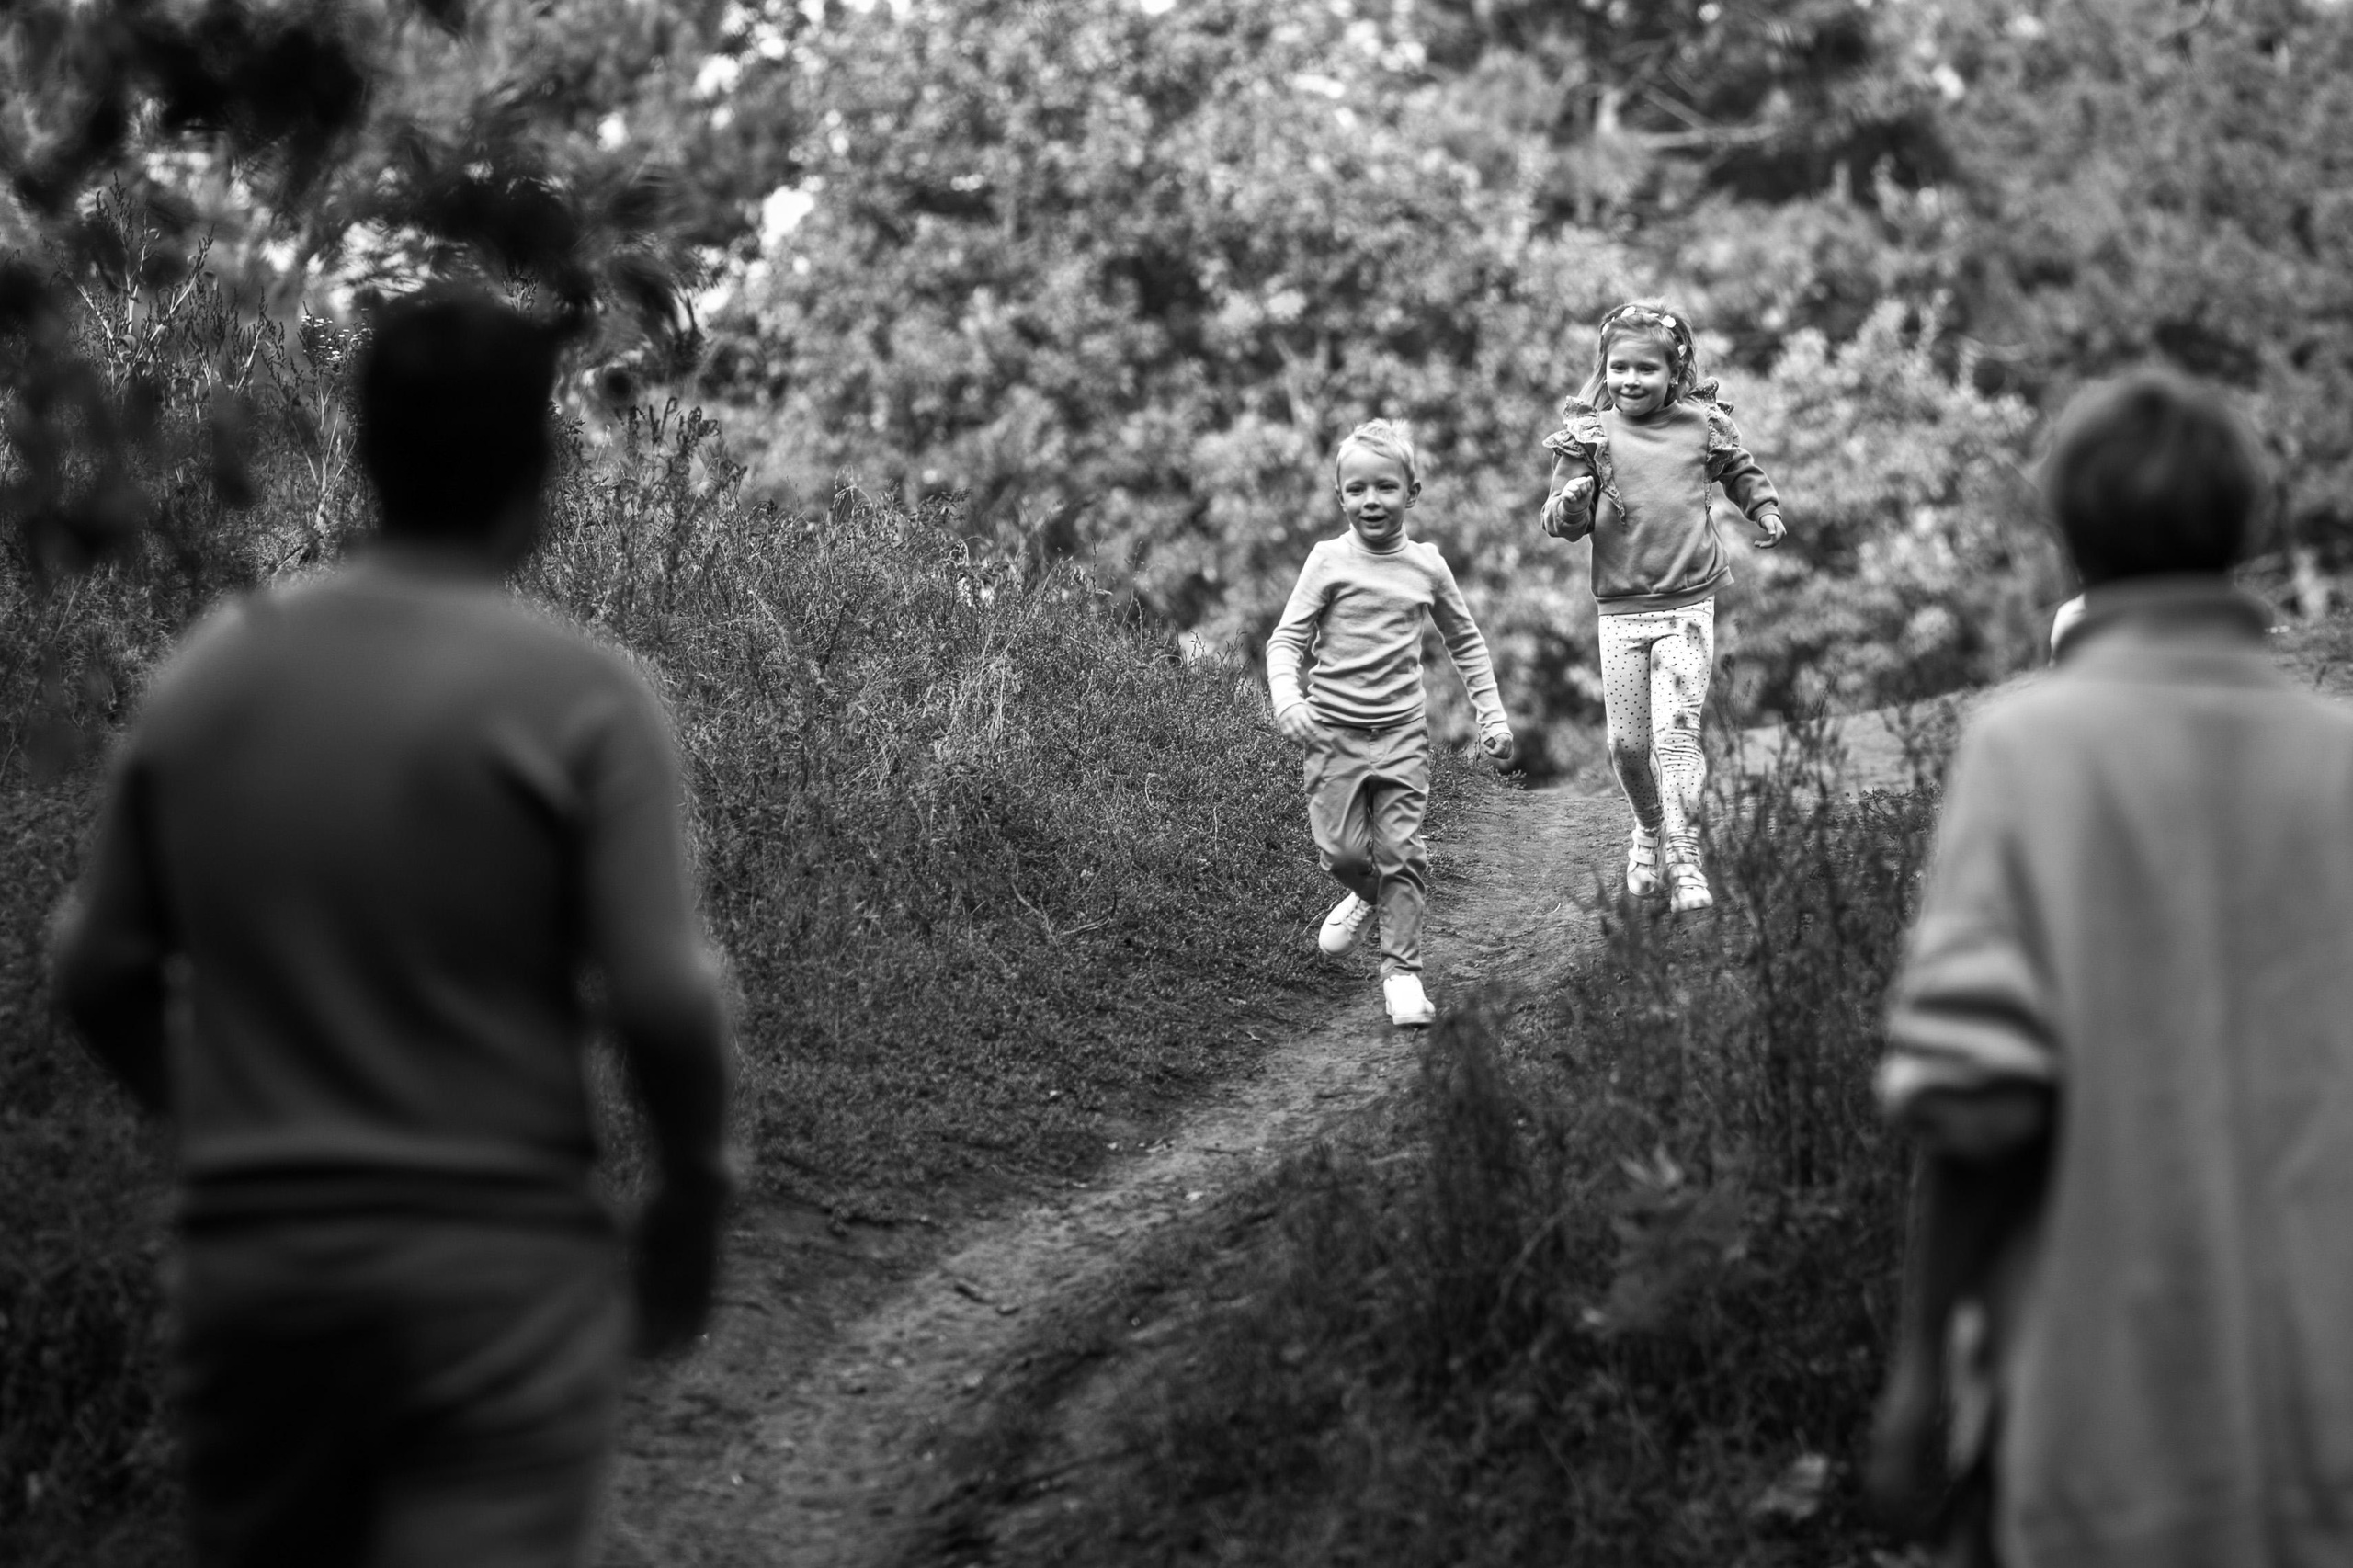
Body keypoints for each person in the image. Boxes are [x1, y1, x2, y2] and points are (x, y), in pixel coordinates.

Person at [49, 288, 734, 1568]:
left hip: (258, 1285)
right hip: (492, 1273)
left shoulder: (212, 673)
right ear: (536, 472)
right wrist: (694, 1193)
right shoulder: (582, 697)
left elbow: (92, 966)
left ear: (362, 453)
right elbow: (662, 997)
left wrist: (216, 1120)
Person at [1867, 368, 2353, 1568]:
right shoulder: (2335, 759)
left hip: (2098, 1403)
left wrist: (1920, 1372)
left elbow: (1977, 1100)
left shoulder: (2028, 747)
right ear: (2246, 528)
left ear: (2067, 533)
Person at [1267, 419, 1517, 1028]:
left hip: (1403, 737)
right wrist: (1288, 699)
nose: (1370, 501)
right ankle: (1364, 891)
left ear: (1413, 491)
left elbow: (1467, 643)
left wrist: (1491, 713)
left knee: (1403, 850)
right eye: (1356, 489)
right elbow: (1286, 640)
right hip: (1331, 734)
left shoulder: (1427, 567)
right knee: (1342, 851)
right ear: (1340, 495)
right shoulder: (1326, 560)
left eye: (1384, 487)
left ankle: (1402, 976)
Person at [1539, 300, 1788, 913]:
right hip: (1620, 613)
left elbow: (1739, 469)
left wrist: (1764, 508)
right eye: (1618, 367)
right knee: (1626, 746)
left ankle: (1685, 854)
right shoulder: (1589, 434)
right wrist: (1571, 503)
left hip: (1687, 605)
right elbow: (1557, 523)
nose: (1630, 380)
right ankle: (1648, 829)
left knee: (1675, 737)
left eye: (1645, 369)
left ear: (1673, 372)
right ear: (1604, 368)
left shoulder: (1698, 425)